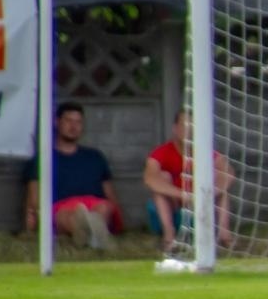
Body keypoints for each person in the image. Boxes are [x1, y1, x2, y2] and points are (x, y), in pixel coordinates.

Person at [22, 100, 123, 250]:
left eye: (78, 122)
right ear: (57, 122)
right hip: (61, 207)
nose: (74, 126)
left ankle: (90, 231)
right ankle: (90, 232)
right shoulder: (43, 158)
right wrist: (32, 223)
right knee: (68, 216)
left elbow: (110, 194)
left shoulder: (95, 156)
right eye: (69, 121)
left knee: (103, 207)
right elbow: (34, 197)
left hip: (94, 204)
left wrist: (120, 221)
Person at [144, 110, 236, 253]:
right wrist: (184, 195)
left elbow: (228, 174)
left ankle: (225, 237)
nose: (189, 129)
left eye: (193, 125)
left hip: (199, 209)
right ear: (175, 128)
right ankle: (169, 236)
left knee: (221, 186)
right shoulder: (161, 153)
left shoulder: (206, 152)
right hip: (173, 207)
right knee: (161, 180)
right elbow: (150, 179)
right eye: (184, 125)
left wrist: (205, 195)